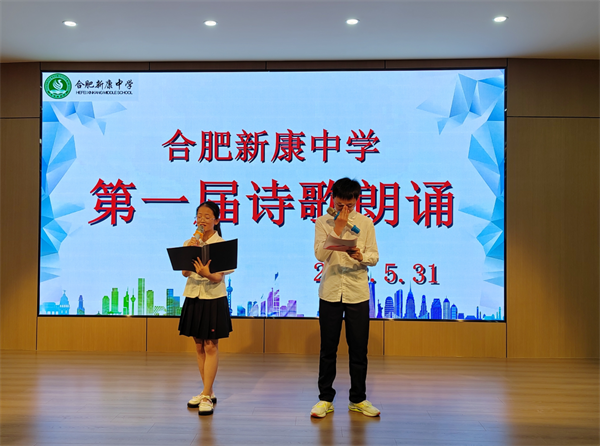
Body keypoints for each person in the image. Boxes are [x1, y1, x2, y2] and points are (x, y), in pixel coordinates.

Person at [311, 178, 381, 418]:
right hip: (330, 291)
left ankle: (358, 399)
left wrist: (361, 256)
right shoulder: (322, 222)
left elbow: (374, 256)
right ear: (333, 199)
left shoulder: (366, 223)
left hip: (357, 292)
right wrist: (337, 228)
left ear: (356, 201)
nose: (344, 209)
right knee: (328, 348)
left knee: (359, 349)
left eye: (349, 205)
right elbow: (320, 254)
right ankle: (325, 399)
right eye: (340, 205)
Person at [178, 201, 233, 416]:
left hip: (213, 298)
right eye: (199, 216)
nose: (202, 220)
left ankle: (206, 395)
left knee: (211, 346)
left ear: (216, 220)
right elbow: (184, 272)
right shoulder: (190, 242)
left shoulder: (221, 245)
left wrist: (206, 273)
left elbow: (218, 277)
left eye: (207, 216)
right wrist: (190, 251)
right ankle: (206, 392)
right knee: (199, 345)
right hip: (194, 295)